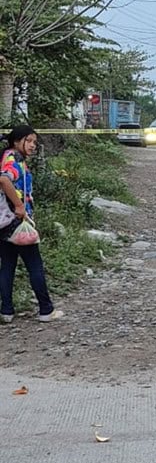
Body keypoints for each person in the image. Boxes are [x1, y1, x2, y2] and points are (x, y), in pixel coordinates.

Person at [0, 124, 63, 323]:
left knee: (8, 265)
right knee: (34, 264)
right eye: (29, 141)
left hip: (4, 221)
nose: (33, 145)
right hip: (17, 220)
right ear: (17, 141)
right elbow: (4, 180)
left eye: (34, 142)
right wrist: (19, 206)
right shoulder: (14, 160)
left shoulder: (6, 156)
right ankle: (46, 309)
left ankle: (7, 311)